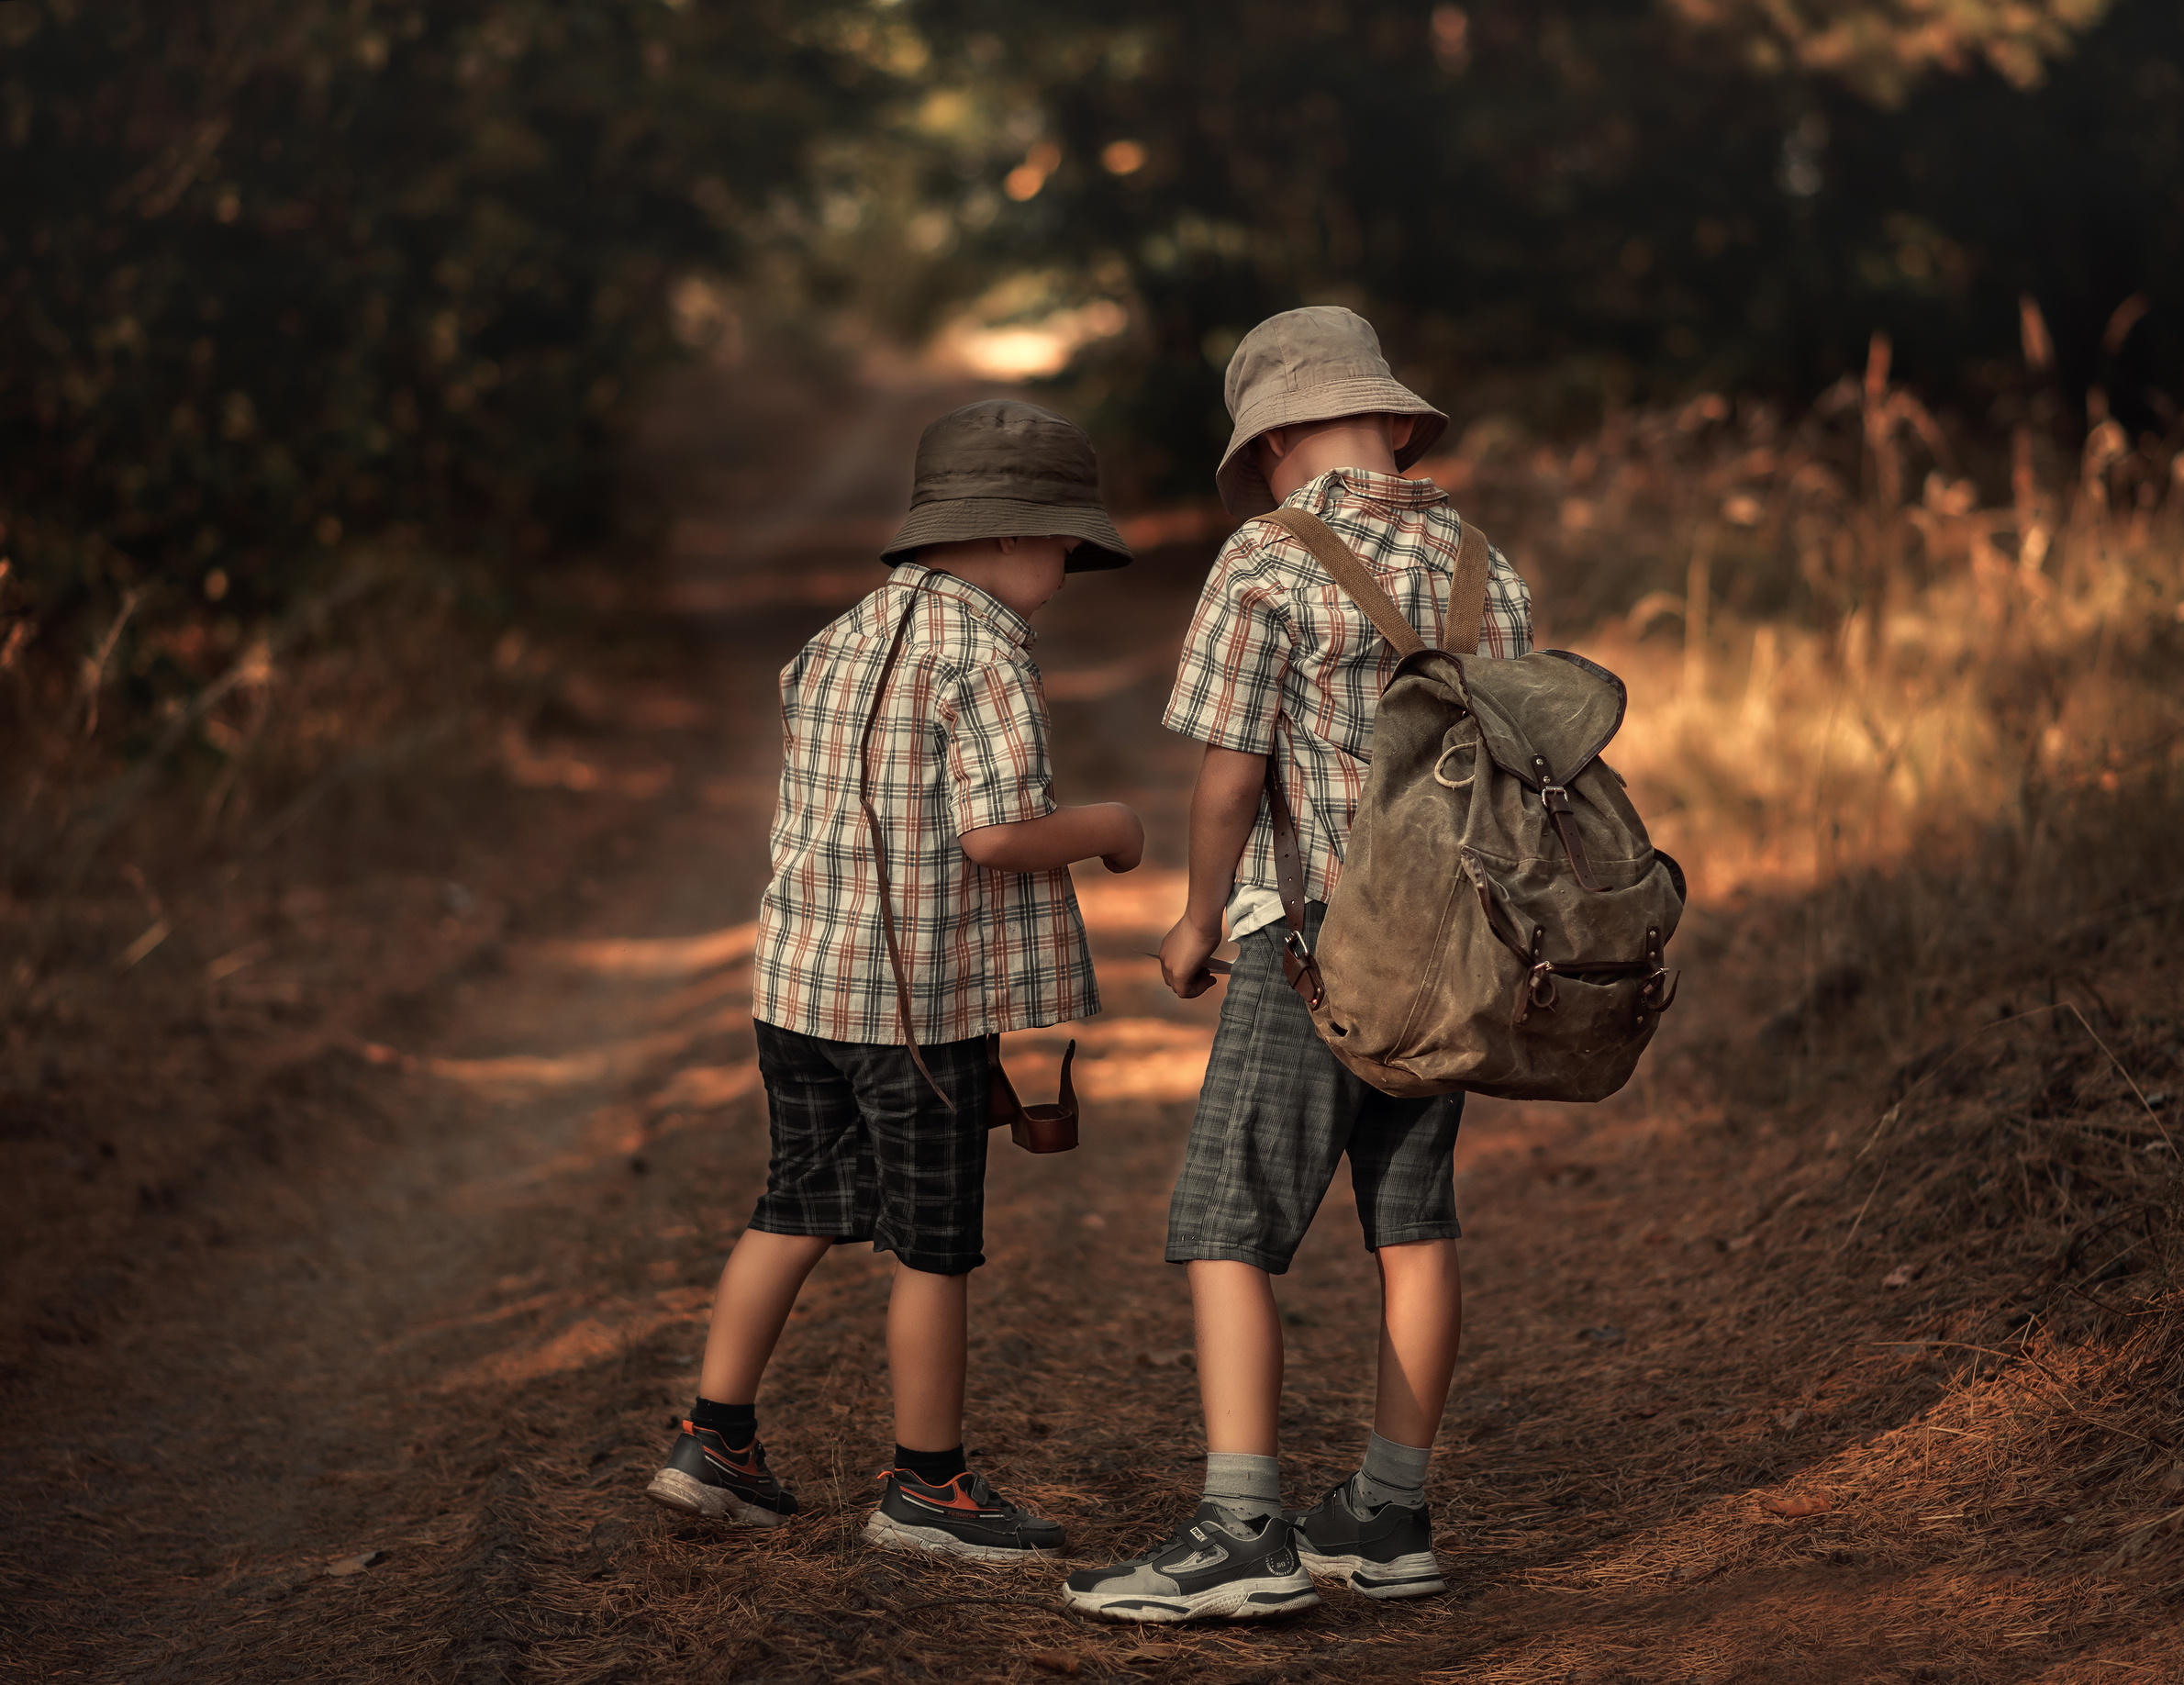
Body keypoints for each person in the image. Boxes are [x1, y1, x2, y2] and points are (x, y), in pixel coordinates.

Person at [1060, 307, 1534, 1622]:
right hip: (1455, 950)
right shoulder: (1488, 564)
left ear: (1269, 443)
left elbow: (1230, 773)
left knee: (1226, 1227)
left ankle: (1241, 1528)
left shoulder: (1266, 560)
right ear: (1392, 423)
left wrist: (1201, 916)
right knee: (1414, 1226)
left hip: (1316, 945)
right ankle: (1391, 1515)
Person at [646, 399, 1143, 1561]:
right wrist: (1110, 827)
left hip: (800, 990)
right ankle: (927, 1485)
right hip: (916, 1011)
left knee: (797, 1206)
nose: (1066, 569)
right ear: (1017, 537)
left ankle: (712, 1442)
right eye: (1067, 548)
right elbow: (995, 836)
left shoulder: (836, 638)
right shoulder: (985, 655)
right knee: (932, 1242)